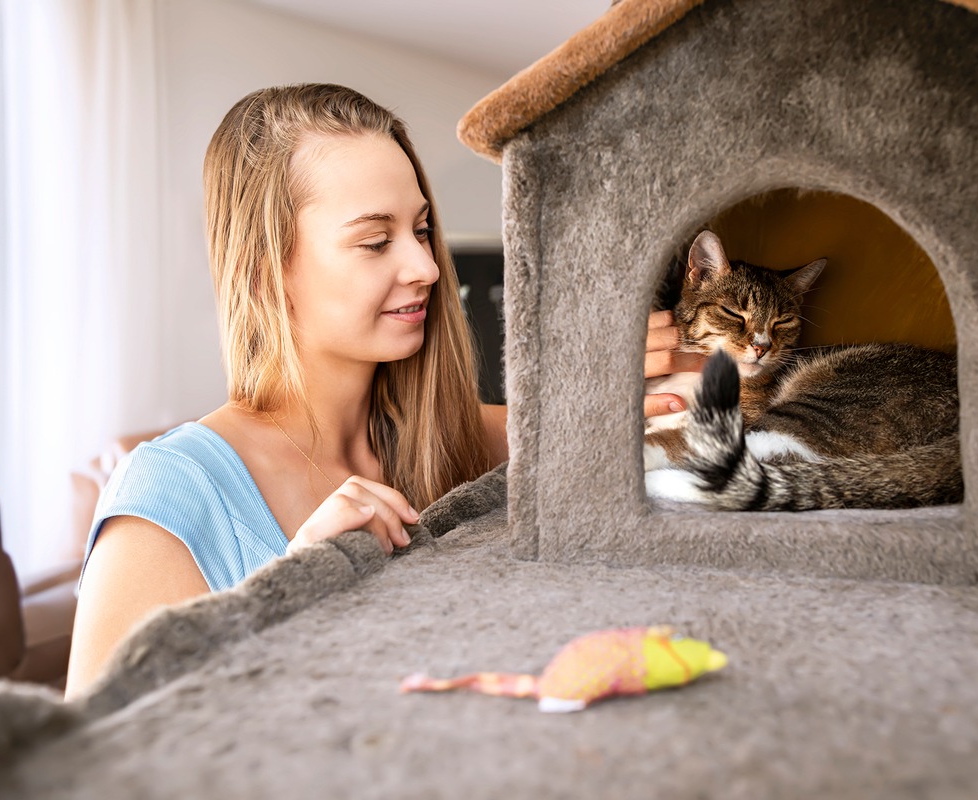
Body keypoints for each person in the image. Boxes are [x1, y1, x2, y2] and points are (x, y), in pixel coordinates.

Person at [65, 83, 700, 698]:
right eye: (374, 241)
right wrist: (295, 587)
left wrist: (605, 370)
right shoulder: (168, 497)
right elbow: (86, 769)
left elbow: (695, 403)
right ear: (265, 274)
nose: (425, 268)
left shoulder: (472, 439)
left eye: (421, 231)